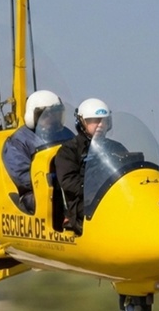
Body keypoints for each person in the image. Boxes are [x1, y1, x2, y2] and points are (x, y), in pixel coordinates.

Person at [54, 98, 127, 235]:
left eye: (104, 121)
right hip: (83, 205)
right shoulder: (69, 150)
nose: (100, 125)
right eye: (94, 120)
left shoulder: (116, 148)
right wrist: (98, 191)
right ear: (81, 123)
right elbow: (69, 182)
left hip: (114, 199)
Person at [2, 90, 74, 213]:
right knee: (59, 199)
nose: (52, 119)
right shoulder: (18, 141)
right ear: (33, 116)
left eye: (56, 114)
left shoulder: (66, 134)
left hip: (67, 186)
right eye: (46, 115)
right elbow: (22, 175)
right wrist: (53, 180)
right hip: (35, 193)